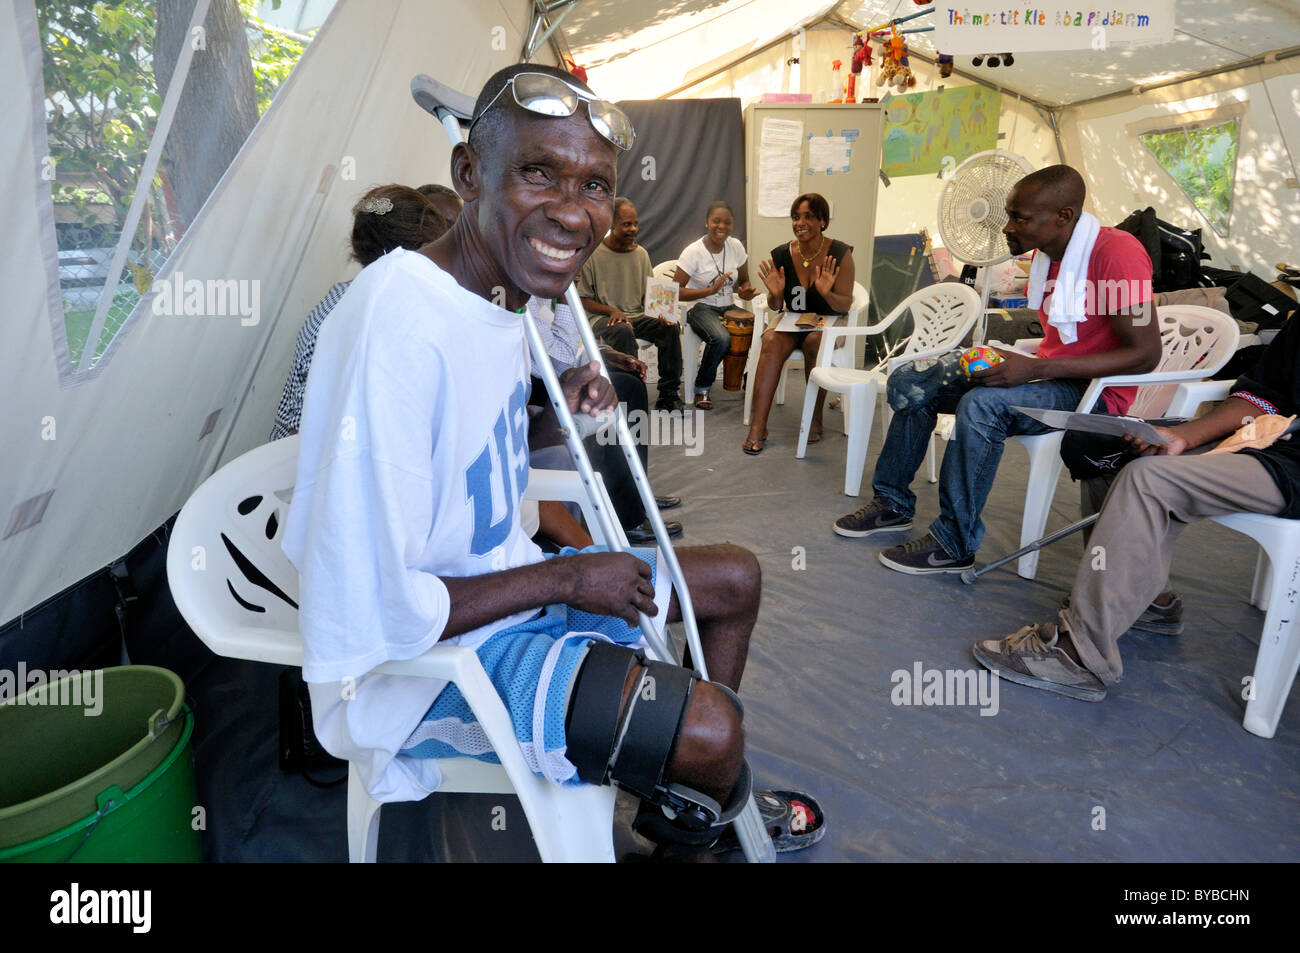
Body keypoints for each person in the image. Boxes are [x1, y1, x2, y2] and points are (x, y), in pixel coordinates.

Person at [282, 63, 821, 857]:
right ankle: (697, 793)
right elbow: (376, 607)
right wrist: (570, 576)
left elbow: (473, 449)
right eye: (539, 172)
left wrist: (550, 412)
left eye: (596, 186)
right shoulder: (395, 322)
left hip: (502, 598)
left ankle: (680, 794)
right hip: (419, 671)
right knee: (713, 730)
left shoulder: (495, 299)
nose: (574, 213)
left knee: (735, 578)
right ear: (470, 173)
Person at [832, 165, 1162, 575]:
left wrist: (1037, 367)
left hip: (1093, 393)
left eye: (1020, 218)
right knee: (915, 380)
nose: (1007, 227)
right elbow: (1057, 340)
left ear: (1064, 215)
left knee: (982, 404)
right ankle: (893, 502)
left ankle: (954, 543)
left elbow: (1145, 354)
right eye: (1009, 214)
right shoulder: (1047, 257)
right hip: (1048, 373)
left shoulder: (1117, 252)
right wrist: (1010, 359)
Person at [974, 313, 1300, 701]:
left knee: (1149, 479)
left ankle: (1081, 654)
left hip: (1291, 465)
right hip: (1264, 439)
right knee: (1099, 446)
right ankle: (1151, 600)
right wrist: (1180, 437)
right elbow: (1261, 397)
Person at [269, 184, 450, 440]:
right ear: (417, 251)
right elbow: (303, 435)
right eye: (436, 254)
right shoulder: (355, 317)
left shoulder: (352, 298)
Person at [526, 295, 684, 544]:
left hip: (549, 376)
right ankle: (626, 515)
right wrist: (566, 298)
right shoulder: (524, 296)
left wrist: (605, 353)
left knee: (630, 383)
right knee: (619, 391)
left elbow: (561, 348)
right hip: (535, 389)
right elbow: (559, 360)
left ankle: (634, 495)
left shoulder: (537, 293)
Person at [744, 193, 856, 454]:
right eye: (796, 217)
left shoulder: (840, 253)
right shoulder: (782, 254)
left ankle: (815, 418)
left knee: (816, 341)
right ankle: (758, 426)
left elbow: (845, 304)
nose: (800, 223)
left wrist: (827, 294)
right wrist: (774, 293)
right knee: (770, 339)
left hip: (829, 322)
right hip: (791, 321)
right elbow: (775, 305)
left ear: (823, 221)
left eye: (808, 216)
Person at [579, 198, 686, 412]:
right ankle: (632, 396)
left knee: (670, 328)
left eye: (636, 224)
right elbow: (583, 300)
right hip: (603, 319)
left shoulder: (641, 254)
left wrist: (661, 313)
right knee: (622, 330)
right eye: (627, 224)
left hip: (636, 315)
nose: (633, 229)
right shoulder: (592, 254)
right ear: (612, 224)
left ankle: (669, 394)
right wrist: (611, 310)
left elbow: (650, 297)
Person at [673, 201, 758, 409]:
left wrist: (746, 290)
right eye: (716, 221)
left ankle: (748, 379)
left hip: (728, 305)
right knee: (721, 338)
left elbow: (744, 281)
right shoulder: (693, 252)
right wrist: (709, 291)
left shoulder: (736, 246)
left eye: (727, 223)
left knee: (759, 333)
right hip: (699, 306)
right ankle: (702, 387)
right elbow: (674, 290)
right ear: (707, 223)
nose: (721, 227)